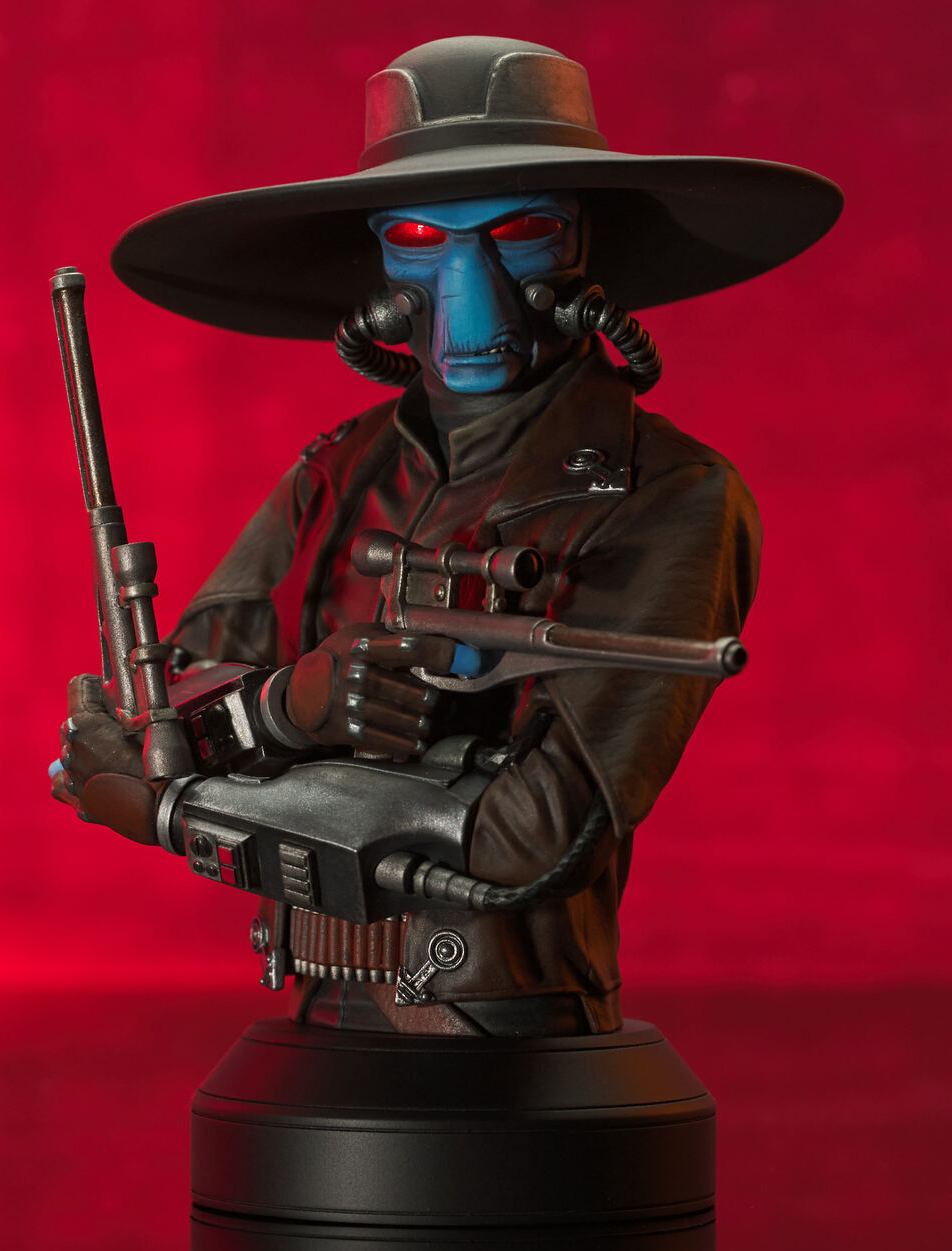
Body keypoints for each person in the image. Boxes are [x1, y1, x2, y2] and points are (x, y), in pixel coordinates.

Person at [53, 35, 841, 1037]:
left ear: (584, 247)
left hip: (499, 1027)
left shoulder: (671, 495)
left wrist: (177, 812)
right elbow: (149, 715)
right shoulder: (340, 470)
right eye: (422, 236)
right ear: (380, 260)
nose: (468, 288)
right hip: (308, 1017)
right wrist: (293, 704)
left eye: (522, 231)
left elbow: (530, 839)